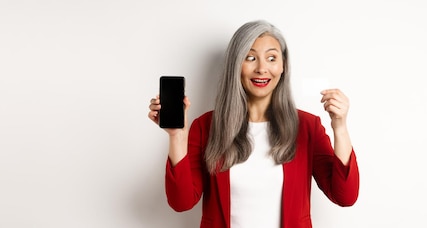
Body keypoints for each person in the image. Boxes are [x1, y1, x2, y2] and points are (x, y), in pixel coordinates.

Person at [147, 20, 359, 228]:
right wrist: (176, 135)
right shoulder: (206, 126)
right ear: (236, 64)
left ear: (283, 65)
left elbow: (345, 196)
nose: (261, 68)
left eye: (271, 58)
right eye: (250, 58)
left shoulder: (307, 126)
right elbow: (181, 202)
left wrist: (339, 127)